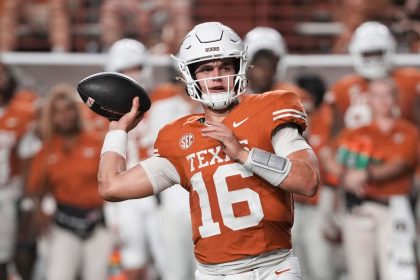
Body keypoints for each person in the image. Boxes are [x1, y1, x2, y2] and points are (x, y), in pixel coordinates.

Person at [97, 22, 320, 280]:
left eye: (225, 66)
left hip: (273, 268)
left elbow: (308, 180)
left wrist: (245, 155)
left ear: (239, 67)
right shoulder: (179, 136)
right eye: (206, 69)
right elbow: (110, 187)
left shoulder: (271, 107)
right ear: (190, 75)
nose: (217, 76)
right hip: (214, 274)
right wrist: (117, 129)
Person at [105, 38, 197, 280]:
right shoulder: (102, 109)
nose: (130, 75)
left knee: (170, 264)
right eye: (123, 70)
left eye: (134, 67)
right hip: (126, 192)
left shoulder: (167, 98)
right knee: (131, 262)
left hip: (162, 189)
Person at [320, 78, 418, 280]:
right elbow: (327, 154)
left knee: (399, 273)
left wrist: (366, 174)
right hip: (359, 208)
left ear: (396, 99)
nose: (382, 100)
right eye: (376, 95)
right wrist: (345, 175)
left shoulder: (409, 132)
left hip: (395, 209)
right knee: (360, 274)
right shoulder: (357, 132)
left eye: (387, 95)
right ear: (369, 100)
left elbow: (400, 164)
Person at [26, 84, 112, 280]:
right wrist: (39, 213)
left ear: (77, 111)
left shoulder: (95, 142)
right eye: (58, 111)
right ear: (51, 116)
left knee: (97, 276)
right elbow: (35, 188)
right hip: (64, 225)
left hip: (97, 223)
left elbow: (112, 180)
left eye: (68, 109)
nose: (64, 116)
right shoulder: (46, 150)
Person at [0, 63, 38, 279]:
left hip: (7, 193)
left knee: (10, 252)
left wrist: (27, 198)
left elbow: (27, 160)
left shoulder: (22, 111)